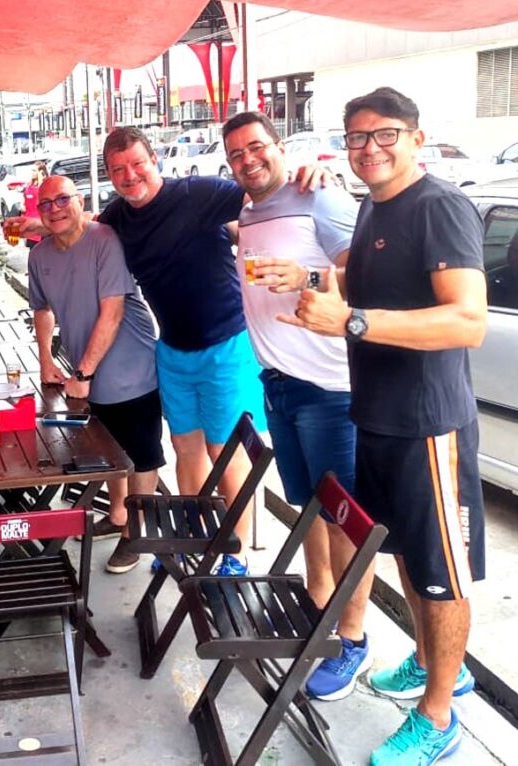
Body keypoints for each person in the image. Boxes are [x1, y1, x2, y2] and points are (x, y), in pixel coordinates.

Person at [286, 87, 485, 765]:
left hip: (429, 426)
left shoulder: (440, 207)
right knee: (401, 554)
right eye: (356, 138)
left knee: (441, 574)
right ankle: (437, 665)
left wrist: (352, 322)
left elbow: (468, 321)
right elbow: (364, 278)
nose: (369, 148)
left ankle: (439, 715)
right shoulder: (376, 204)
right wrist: (314, 277)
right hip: (376, 417)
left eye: (384, 135)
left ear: (417, 138)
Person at [222, 110, 374, 701]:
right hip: (280, 385)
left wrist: (309, 275)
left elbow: (365, 277)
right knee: (308, 509)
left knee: (345, 522)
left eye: (256, 147)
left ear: (278, 146)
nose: (247, 160)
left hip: (330, 391)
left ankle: (353, 638)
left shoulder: (321, 198)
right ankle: (317, 603)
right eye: (236, 154)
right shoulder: (249, 210)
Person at [98, 126, 267, 576]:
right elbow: (85, 233)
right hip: (172, 349)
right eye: (118, 170)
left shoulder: (197, 193)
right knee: (185, 450)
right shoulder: (117, 216)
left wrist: (311, 179)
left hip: (226, 344)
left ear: (155, 160)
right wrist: (45, 222)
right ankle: (187, 543)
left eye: (137, 164)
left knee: (224, 453)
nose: (130, 176)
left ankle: (235, 555)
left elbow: (260, 195)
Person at [28, 175, 164, 573]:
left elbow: (114, 310)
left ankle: (136, 534)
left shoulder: (104, 238)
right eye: (46, 203)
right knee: (107, 450)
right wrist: (45, 360)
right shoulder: (40, 256)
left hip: (130, 366)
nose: (54, 209)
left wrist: (83, 372)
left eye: (62, 200)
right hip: (83, 369)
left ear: (81, 201)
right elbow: (41, 308)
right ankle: (119, 514)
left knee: (141, 456)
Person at [22, 161, 48, 246]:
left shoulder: (44, 186)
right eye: (31, 170)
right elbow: (24, 203)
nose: (32, 173)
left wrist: (41, 178)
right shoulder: (29, 185)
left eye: (34, 171)